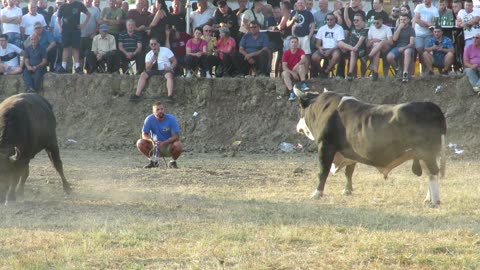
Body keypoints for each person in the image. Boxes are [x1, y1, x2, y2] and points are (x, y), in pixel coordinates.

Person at [136, 101, 183, 169]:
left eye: (162, 109)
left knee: (179, 145)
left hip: (168, 145)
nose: (160, 111)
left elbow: (176, 136)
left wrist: (164, 143)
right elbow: (144, 134)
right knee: (140, 142)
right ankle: (153, 161)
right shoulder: (149, 119)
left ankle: (172, 162)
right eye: (157, 110)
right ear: (153, 112)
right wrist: (151, 140)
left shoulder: (171, 119)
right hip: (155, 145)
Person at [130, 37, 177, 103]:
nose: (153, 46)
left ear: (158, 44)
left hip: (165, 69)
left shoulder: (166, 50)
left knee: (169, 76)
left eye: (155, 44)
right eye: (151, 44)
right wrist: (152, 60)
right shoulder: (149, 54)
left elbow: (175, 61)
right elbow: (147, 68)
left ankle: (170, 96)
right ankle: (137, 95)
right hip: (154, 69)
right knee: (143, 74)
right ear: (149, 45)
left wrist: (171, 67)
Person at [56, 0, 91, 74]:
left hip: (76, 30)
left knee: (76, 48)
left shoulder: (79, 4)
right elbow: (58, 19)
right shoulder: (63, 6)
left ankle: (77, 67)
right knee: (66, 48)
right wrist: (60, 27)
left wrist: (83, 25)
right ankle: (63, 67)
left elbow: (89, 14)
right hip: (66, 30)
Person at [311, 13, 345, 78]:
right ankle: (322, 72)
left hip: (335, 48)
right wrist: (320, 48)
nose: (329, 21)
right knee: (314, 57)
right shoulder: (322, 28)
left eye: (331, 19)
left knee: (336, 55)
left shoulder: (339, 28)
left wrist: (330, 50)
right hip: (324, 48)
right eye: (328, 19)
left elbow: (340, 43)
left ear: (335, 20)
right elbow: (317, 44)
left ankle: (326, 72)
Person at [386, 13, 415, 82]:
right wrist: (399, 28)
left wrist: (404, 48)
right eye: (401, 20)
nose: (402, 21)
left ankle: (405, 72)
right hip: (398, 47)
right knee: (389, 57)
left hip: (408, 47)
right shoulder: (397, 28)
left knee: (407, 51)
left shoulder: (411, 30)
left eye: (404, 20)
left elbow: (411, 43)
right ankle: (398, 69)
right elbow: (394, 39)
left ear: (408, 20)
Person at [339, 12, 368, 81]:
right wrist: (346, 8)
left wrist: (355, 47)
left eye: (357, 20)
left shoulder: (364, 30)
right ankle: (350, 73)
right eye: (354, 20)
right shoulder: (352, 27)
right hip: (350, 47)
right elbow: (346, 18)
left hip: (360, 49)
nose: (355, 22)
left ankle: (350, 73)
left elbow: (360, 41)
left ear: (362, 21)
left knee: (353, 52)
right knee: (339, 43)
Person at [414, 0, 438, 75]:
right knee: (419, 48)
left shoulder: (434, 10)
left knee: (426, 51)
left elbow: (435, 23)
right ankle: (424, 68)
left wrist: (424, 23)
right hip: (418, 33)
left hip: (428, 34)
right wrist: (427, 24)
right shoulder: (419, 6)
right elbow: (417, 20)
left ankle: (427, 69)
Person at [282, 36, 309, 101]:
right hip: (290, 72)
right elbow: (284, 67)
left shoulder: (301, 51)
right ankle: (291, 92)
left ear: (297, 44)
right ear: (289, 44)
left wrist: (297, 64)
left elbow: (304, 58)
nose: (294, 43)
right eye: (292, 42)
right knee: (284, 73)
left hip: (297, 70)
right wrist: (292, 73)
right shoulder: (286, 53)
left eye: (295, 42)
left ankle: (303, 83)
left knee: (301, 66)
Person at [367, 15, 393, 80]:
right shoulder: (371, 28)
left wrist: (380, 41)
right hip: (375, 49)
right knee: (377, 51)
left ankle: (369, 56)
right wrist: (373, 40)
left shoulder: (387, 28)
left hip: (385, 48)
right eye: (374, 23)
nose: (375, 24)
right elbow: (368, 44)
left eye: (377, 23)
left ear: (381, 21)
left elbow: (391, 42)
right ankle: (375, 73)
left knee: (381, 43)